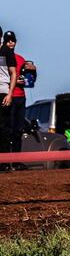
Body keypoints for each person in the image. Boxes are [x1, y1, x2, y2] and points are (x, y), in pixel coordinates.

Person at [3, 32, 32, 168]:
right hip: (9, 97)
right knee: (7, 130)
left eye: (12, 40)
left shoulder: (21, 59)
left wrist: (31, 73)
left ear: (15, 42)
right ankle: (6, 161)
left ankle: (16, 160)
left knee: (18, 130)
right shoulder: (3, 56)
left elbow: (28, 80)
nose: (10, 43)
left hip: (21, 97)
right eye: (8, 40)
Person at [0, 30, 17, 169]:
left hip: (3, 92)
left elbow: (13, 73)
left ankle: (5, 163)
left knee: (3, 128)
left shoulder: (6, 50)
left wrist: (10, 94)